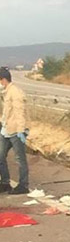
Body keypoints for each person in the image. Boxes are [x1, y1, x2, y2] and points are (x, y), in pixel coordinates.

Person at [0, 67, 30, 195]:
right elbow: (7, 112)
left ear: (3, 79)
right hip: (6, 129)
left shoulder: (15, 92)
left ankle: (23, 185)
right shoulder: (7, 91)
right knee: (0, 156)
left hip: (16, 130)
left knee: (20, 159)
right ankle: (5, 182)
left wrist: (21, 130)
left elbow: (20, 112)